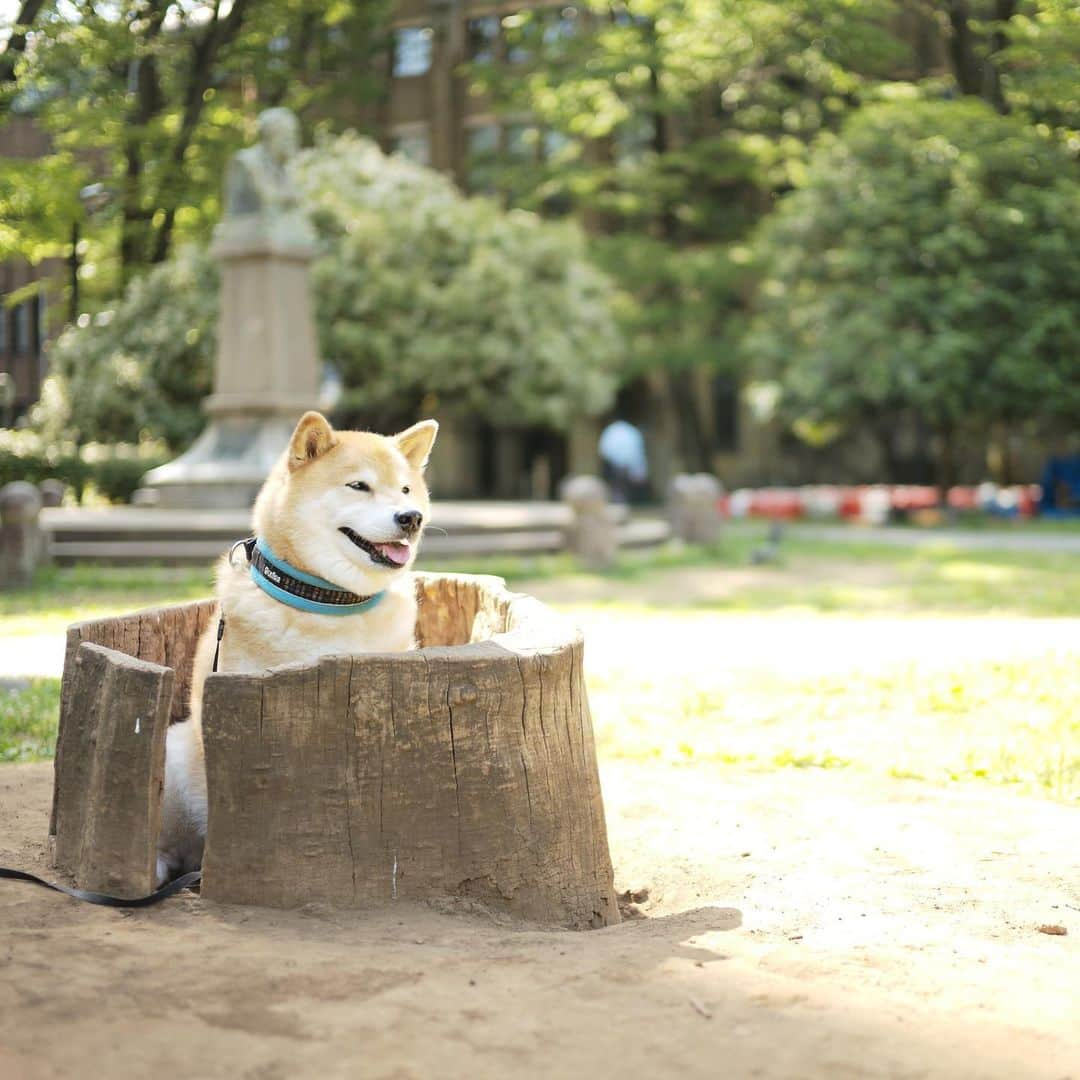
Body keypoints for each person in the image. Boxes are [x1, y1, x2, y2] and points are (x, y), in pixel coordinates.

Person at [598, 418, 648, 503]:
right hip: (626, 465)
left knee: (616, 487)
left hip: (613, 464)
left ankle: (618, 502)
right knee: (623, 487)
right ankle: (622, 503)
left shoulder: (611, 430)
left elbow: (604, 450)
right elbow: (637, 452)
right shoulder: (632, 431)